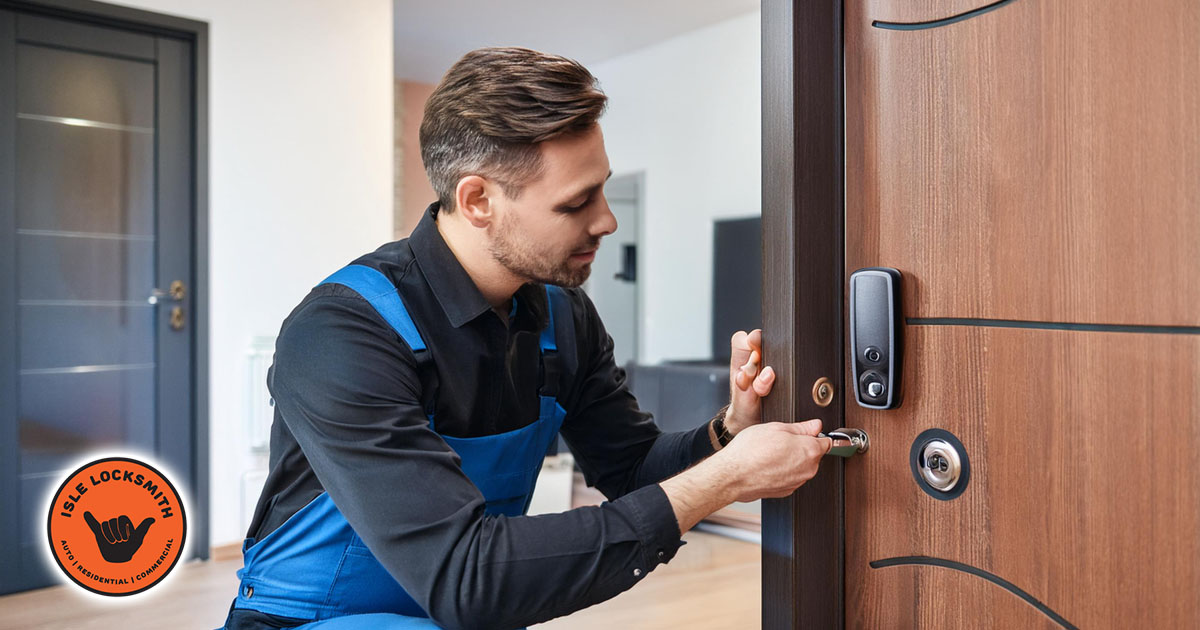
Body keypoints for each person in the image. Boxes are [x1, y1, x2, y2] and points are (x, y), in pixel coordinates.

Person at [220, 47, 831, 630]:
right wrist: (721, 481)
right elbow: (467, 577)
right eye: (576, 203)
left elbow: (633, 470)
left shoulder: (565, 318)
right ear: (479, 200)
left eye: (604, 188)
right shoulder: (342, 333)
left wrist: (728, 433)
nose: (608, 220)